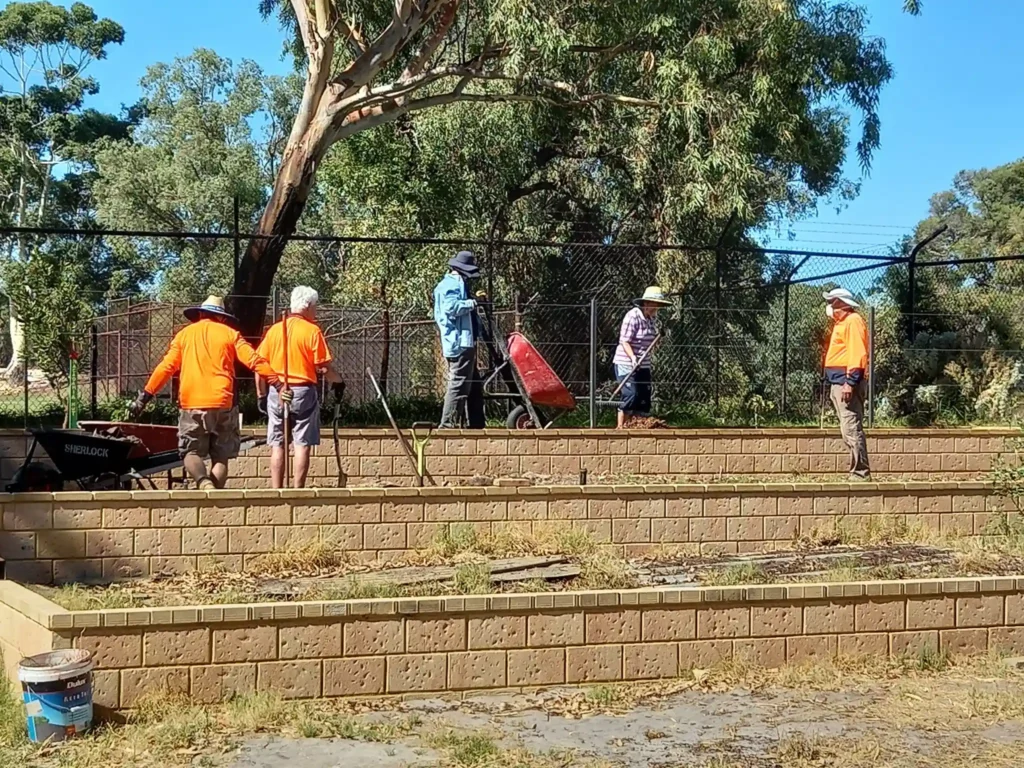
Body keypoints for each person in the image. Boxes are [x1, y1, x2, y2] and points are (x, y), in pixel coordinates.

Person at [129, 296, 282, 490]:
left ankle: (203, 483)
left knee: (190, 453)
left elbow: (166, 368)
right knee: (221, 457)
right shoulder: (230, 334)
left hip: (192, 403)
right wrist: (277, 383)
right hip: (224, 403)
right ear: (222, 317)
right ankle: (213, 496)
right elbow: (254, 360)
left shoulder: (184, 335)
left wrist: (144, 397)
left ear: (200, 314)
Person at [255, 286, 345, 489]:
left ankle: (276, 490)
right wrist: (338, 380)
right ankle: (297, 489)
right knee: (302, 442)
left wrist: (261, 394)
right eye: (315, 307)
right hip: (303, 392)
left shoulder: (275, 330)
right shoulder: (312, 331)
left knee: (278, 444)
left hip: (276, 391)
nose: (316, 312)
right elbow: (322, 367)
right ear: (307, 306)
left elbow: (259, 367)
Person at [823, 287, 871, 480]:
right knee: (848, 428)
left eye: (832, 302)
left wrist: (849, 382)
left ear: (841, 303)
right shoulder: (843, 323)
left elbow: (857, 354)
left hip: (846, 383)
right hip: (840, 382)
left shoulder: (853, 321)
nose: (830, 307)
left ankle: (860, 473)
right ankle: (857, 471)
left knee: (851, 427)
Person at [434, 250, 485, 429]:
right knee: (458, 384)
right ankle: (447, 425)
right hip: (459, 343)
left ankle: (477, 424)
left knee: (473, 385)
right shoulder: (451, 285)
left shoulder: (457, 284)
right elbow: (451, 308)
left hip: (464, 342)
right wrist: (474, 303)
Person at [612, 286, 670, 428]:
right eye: (654, 303)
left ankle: (638, 425)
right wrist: (633, 358)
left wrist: (658, 340)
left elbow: (650, 344)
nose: (656, 307)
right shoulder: (633, 316)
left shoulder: (652, 319)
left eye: (658, 304)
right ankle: (621, 426)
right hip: (626, 362)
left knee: (644, 395)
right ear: (646, 303)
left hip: (644, 363)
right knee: (631, 394)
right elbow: (624, 341)